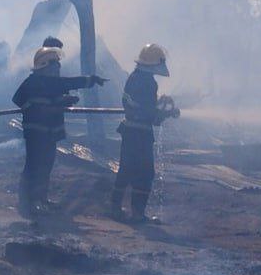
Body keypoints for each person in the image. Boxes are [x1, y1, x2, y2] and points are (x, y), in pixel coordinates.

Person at [12, 46, 106, 217]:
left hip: (49, 133)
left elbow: (71, 82)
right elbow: (18, 99)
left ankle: (41, 199)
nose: (58, 67)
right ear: (44, 65)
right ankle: (29, 202)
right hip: (36, 133)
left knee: (46, 166)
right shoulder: (32, 82)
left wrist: (92, 80)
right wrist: (37, 109)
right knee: (34, 167)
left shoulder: (52, 83)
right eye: (54, 64)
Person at [111, 43, 179, 224]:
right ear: (152, 64)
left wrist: (160, 107)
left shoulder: (135, 77)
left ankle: (115, 208)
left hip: (130, 131)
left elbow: (142, 107)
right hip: (140, 134)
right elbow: (150, 115)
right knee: (145, 173)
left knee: (126, 171)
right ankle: (137, 213)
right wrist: (167, 113)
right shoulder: (148, 82)